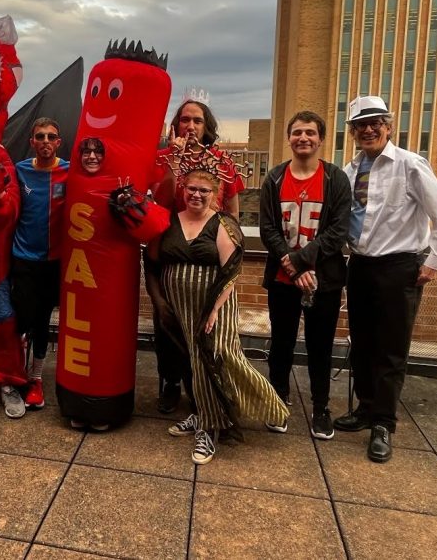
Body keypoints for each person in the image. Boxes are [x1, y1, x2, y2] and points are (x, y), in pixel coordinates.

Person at [334, 95, 437, 463]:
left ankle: (383, 424)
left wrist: (434, 262)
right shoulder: (350, 169)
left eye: (375, 123)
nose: (368, 130)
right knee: (362, 343)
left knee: (391, 349)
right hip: (360, 266)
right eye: (361, 125)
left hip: (399, 267)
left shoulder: (410, 165)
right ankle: (366, 408)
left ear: (388, 126)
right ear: (353, 132)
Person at [148, 158, 288, 465]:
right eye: (192, 189)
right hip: (181, 305)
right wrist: (160, 302)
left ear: (216, 194)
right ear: (183, 190)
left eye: (204, 191)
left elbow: (231, 272)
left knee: (221, 354)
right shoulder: (170, 220)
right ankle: (204, 417)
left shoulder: (224, 223)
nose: (196, 195)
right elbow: (154, 261)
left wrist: (213, 311)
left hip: (216, 303)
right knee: (196, 361)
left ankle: (260, 410)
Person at [147, 90, 246, 414]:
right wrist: (173, 162)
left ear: (207, 127)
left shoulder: (223, 162)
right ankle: (170, 382)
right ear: (175, 125)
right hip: (168, 252)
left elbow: (232, 211)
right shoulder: (162, 157)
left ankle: (201, 387)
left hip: (205, 256)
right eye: (185, 119)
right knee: (166, 323)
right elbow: (158, 201)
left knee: (203, 327)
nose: (190, 125)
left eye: (197, 120)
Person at [259, 111, 351, 440]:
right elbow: (267, 228)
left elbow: (338, 231)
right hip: (283, 280)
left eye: (310, 133)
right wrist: (291, 264)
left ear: (321, 139)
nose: (304, 138)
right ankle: (277, 399)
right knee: (281, 344)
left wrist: (302, 262)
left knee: (320, 346)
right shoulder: (274, 178)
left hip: (321, 280)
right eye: (297, 132)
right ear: (289, 138)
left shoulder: (336, 179)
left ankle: (321, 408)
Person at [11, 118, 69, 409]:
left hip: (54, 261)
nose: (46, 141)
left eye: (51, 137)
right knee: (20, 320)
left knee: (43, 321)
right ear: (32, 141)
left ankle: (36, 379)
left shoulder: (70, 172)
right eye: (40, 136)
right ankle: (14, 373)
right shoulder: (19, 170)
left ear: (58, 142)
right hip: (22, 258)